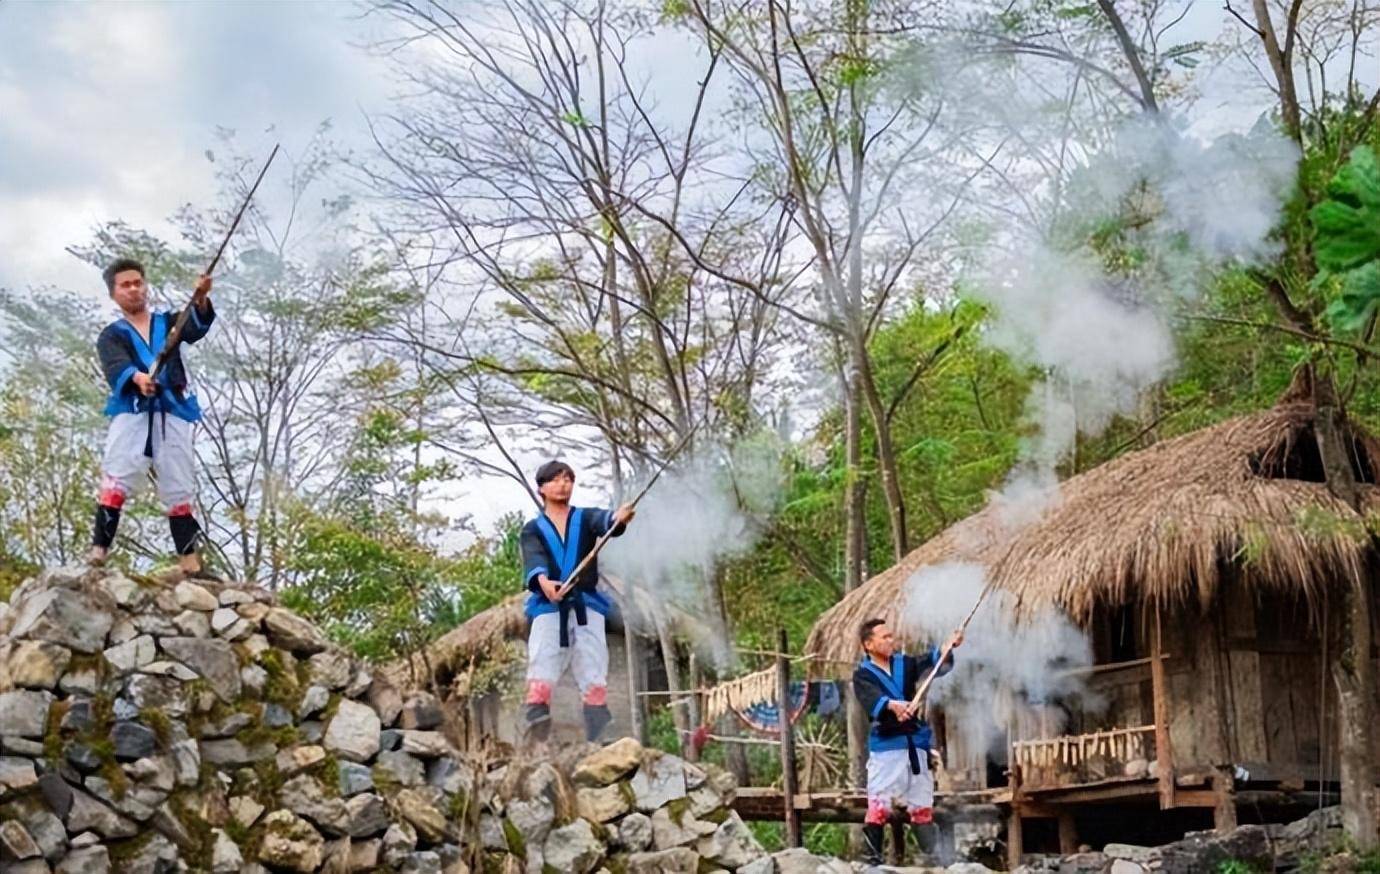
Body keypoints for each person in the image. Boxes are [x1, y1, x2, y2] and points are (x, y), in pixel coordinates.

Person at [88, 258, 216, 576]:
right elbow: (116, 365)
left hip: (172, 411)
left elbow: (195, 327)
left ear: (145, 286)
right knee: (116, 476)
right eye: (125, 285)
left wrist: (200, 296)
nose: (133, 289)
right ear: (114, 294)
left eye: (138, 283)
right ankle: (98, 553)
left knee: (179, 481)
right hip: (132, 412)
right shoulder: (111, 335)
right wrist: (137, 378)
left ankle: (189, 561)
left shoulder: (170, 322)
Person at [520, 460, 635, 743]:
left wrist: (619, 518)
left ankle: (599, 729)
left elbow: (607, 522)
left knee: (593, 661)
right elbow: (534, 558)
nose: (563, 485)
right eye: (556, 480)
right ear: (541, 488)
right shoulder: (533, 529)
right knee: (543, 659)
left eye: (568, 479)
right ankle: (537, 725)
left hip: (586, 604)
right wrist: (545, 583)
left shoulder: (585, 518)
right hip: (549, 606)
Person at [852, 618, 963, 865]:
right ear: (869, 644)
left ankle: (934, 860)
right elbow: (873, 700)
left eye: (891, 636)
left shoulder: (905, 664)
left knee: (922, 805)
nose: (891, 641)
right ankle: (872, 861)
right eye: (885, 637)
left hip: (915, 744)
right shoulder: (863, 675)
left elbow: (934, 663)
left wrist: (947, 648)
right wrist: (891, 705)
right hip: (887, 747)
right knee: (879, 805)